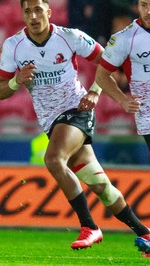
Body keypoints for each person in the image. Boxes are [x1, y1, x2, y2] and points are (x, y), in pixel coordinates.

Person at [0, 0, 150, 255]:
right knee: (101, 187)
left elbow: (108, 62)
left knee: (53, 158)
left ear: (49, 12)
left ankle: (89, 226)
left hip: (77, 111)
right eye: (27, 11)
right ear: (22, 15)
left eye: (37, 10)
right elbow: (0, 91)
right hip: (50, 121)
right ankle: (144, 233)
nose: (33, 16)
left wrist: (95, 92)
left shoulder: (70, 37)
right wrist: (15, 81)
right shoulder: (13, 46)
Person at [95, 0, 150, 257]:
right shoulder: (125, 38)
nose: (148, 10)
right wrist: (123, 99)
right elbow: (101, 76)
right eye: (144, 4)